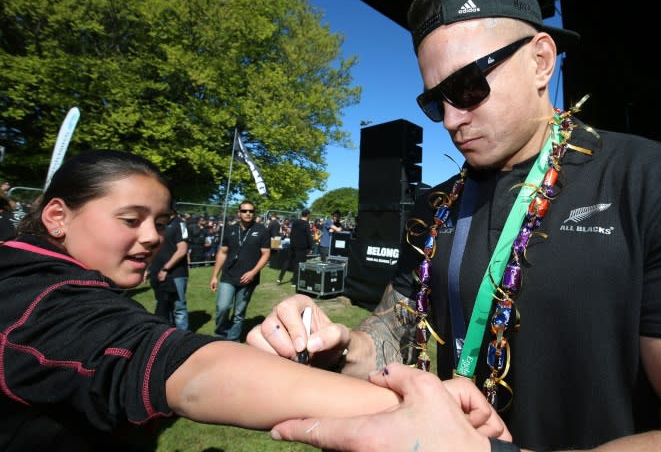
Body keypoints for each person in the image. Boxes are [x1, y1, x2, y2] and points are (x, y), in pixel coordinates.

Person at [251, 0, 661, 451]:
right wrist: (337, 346)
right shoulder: (434, 208)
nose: (451, 119)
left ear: (541, 60)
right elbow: (394, 328)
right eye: (435, 102)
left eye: (469, 86)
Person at [0, 149, 509, 451]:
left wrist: (258, 363)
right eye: (131, 220)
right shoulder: (27, 293)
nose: (153, 237)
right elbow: (165, 368)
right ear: (56, 217)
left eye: (159, 220)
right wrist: (420, 411)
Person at [209, 200, 270, 341]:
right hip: (228, 275)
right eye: (244, 211)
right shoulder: (230, 229)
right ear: (239, 213)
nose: (248, 213)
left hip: (248, 278)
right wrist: (214, 276)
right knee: (223, 307)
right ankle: (220, 334)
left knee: (239, 312)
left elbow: (266, 254)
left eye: (251, 211)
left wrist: (253, 272)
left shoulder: (261, 230)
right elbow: (222, 252)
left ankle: (233, 339)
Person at [147, 206, 190, 329]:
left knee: (178, 307)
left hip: (176, 273)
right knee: (163, 305)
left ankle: (183, 338)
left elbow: (182, 250)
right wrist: (149, 268)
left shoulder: (179, 224)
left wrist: (165, 269)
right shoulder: (157, 224)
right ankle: (168, 335)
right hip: (156, 271)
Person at [277, 208, 312, 285]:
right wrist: (310, 247)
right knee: (297, 264)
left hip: (292, 244)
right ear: (308, 215)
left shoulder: (295, 222)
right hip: (301, 247)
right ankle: (294, 282)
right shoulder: (306, 224)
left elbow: (292, 232)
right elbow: (308, 236)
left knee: (287, 261)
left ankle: (280, 278)